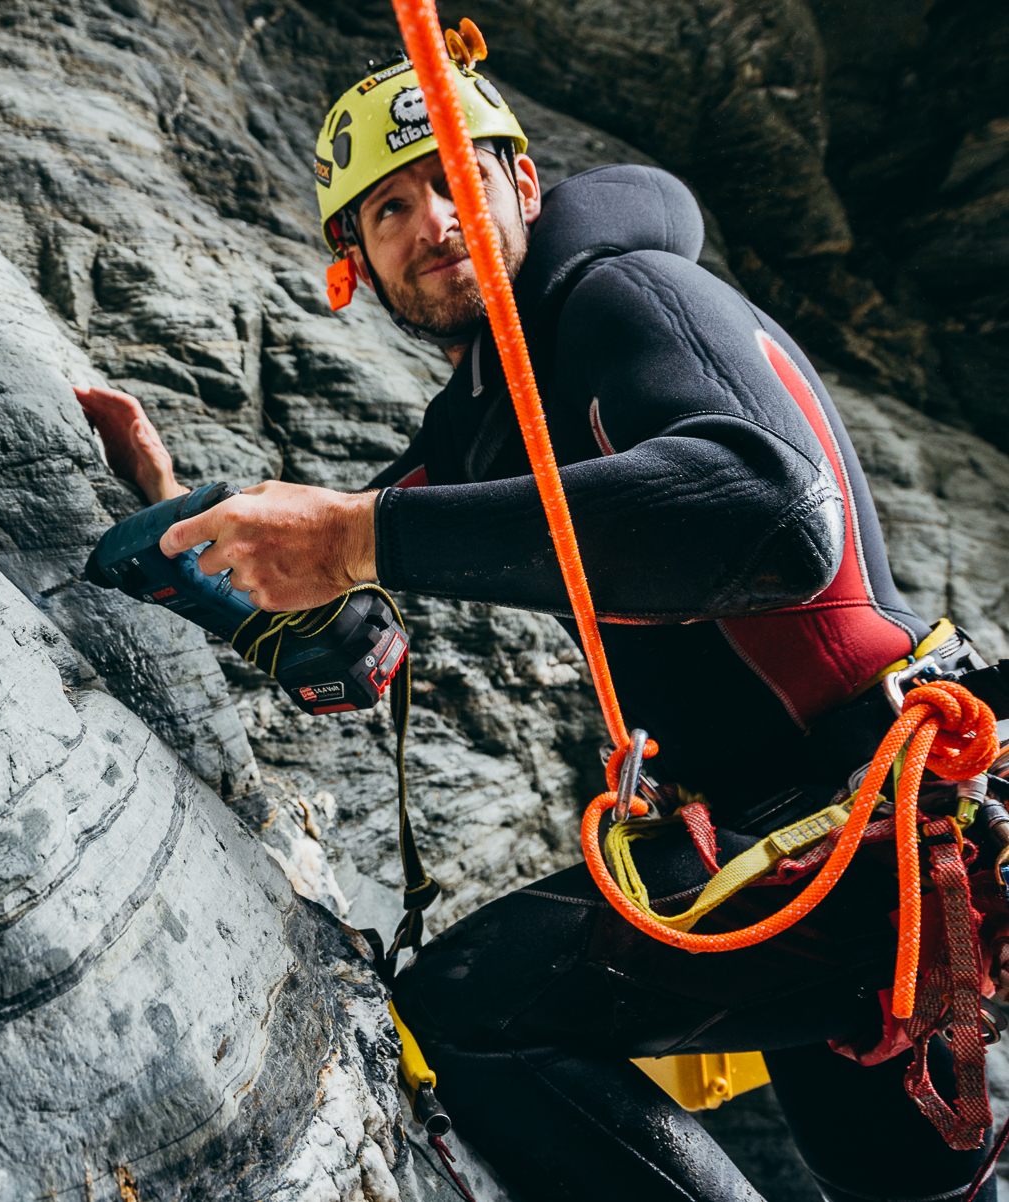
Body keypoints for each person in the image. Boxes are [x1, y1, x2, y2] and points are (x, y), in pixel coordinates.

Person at [77, 40, 998, 1202]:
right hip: (807, 834)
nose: (433, 222)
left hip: (856, 803)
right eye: (390, 210)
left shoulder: (626, 298)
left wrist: (361, 535)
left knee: (472, 1014)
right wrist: (177, 517)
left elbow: (772, 520)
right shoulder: (484, 420)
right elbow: (351, 626)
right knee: (902, 1182)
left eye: (459, 179)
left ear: (524, 187)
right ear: (352, 263)